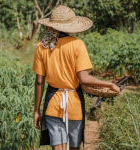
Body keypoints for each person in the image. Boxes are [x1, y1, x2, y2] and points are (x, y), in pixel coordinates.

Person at [32, 5, 120, 150]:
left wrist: (36, 111)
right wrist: (109, 84)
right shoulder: (77, 44)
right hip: (74, 105)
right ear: (70, 26)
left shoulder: (42, 46)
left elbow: (39, 82)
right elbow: (84, 79)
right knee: (74, 147)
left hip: (52, 104)